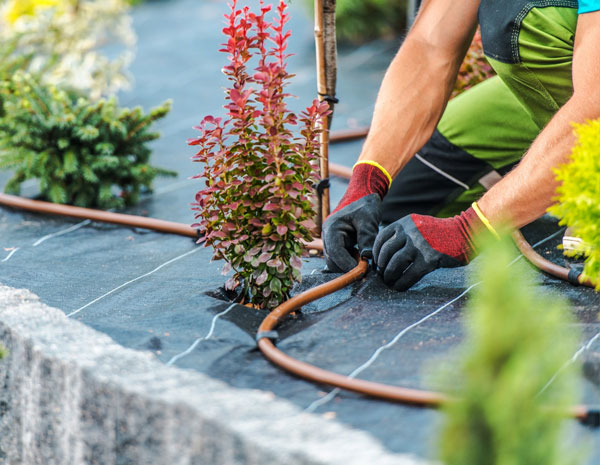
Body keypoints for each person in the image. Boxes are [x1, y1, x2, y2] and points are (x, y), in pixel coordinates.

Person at [323, 0, 600, 291]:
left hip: (592, 92)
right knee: (406, 196)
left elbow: (594, 107)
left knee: (517, 17)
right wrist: (368, 180)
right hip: (581, 75)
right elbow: (430, 46)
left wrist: (468, 230)